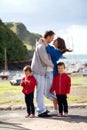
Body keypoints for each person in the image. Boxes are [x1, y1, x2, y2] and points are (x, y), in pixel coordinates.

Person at [38, 37, 72, 116]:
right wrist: (43, 41)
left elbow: (49, 50)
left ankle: (56, 107)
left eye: (55, 40)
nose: (54, 40)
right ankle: (56, 109)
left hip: (51, 73)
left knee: (47, 93)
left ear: (59, 42)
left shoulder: (58, 52)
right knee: (48, 92)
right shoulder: (55, 49)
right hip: (49, 72)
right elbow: (49, 47)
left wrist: (45, 43)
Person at [31, 30, 55, 117]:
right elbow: (45, 59)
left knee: (40, 92)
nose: (52, 39)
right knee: (40, 92)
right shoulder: (41, 46)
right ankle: (41, 111)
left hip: (40, 72)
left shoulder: (42, 45)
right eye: (52, 37)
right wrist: (53, 66)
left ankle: (42, 109)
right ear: (48, 37)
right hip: (38, 72)